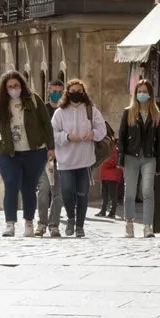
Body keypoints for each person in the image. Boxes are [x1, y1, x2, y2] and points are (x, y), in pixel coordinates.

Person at [0, 71, 54, 238]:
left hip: (34, 152)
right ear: (5, 88)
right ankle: (10, 223)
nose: (14, 89)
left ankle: (28, 222)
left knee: (28, 187)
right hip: (8, 153)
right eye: (10, 86)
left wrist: (51, 147)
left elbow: (46, 124)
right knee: (11, 185)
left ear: (22, 86)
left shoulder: (33, 100)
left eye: (16, 86)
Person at [51, 79, 107, 238]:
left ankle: (80, 226)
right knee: (67, 191)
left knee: (83, 193)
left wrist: (93, 134)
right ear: (68, 93)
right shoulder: (60, 112)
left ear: (83, 93)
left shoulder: (91, 110)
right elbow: (53, 133)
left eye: (79, 90)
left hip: (85, 160)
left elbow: (101, 129)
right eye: (73, 90)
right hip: (65, 161)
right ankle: (70, 218)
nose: (76, 93)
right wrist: (67, 136)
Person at [117, 79, 160, 238]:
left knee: (147, 191)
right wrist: (120, 159)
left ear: (150, 94)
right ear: (135, 94)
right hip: (131, 157)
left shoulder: (156, 115)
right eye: (139, 91)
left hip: (149, 158)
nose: (142, 94)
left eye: (145, 91)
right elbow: (121, 137)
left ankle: (147, 226)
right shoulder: (128, 112)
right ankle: (129, 223)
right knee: (129, 192)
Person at [36, 79, 66, 237]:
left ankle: (54, 225)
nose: (57, 94)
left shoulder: (65, 110)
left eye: (60, 92)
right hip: (45, 156)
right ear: (48, 91)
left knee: (58, 193)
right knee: (44, 190)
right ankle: (41, 223)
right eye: (54, 91)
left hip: (63, 157)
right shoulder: (42, 110)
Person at [97, 143, 122, 219]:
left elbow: (113, 161)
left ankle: (112, 212)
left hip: (112, 175)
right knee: (105, 194)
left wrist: (103, 162)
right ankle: (103, 210)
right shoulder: (108, 148)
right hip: (106, 175)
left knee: (112, 195)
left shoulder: (114, 149)